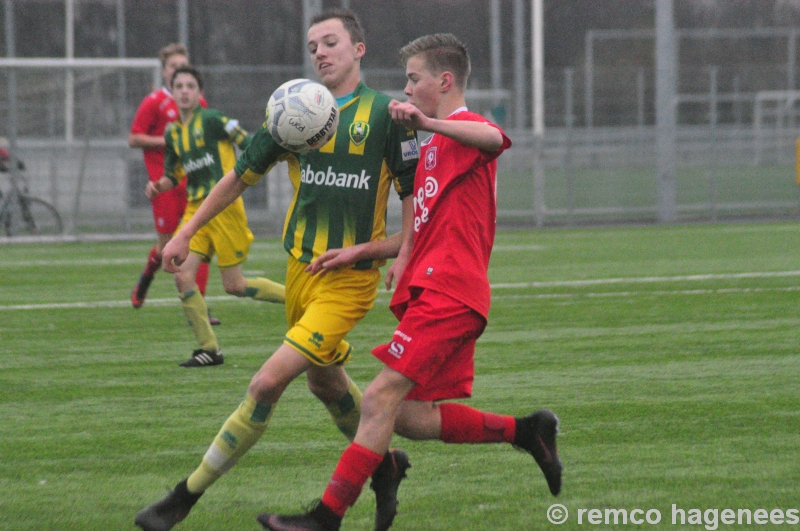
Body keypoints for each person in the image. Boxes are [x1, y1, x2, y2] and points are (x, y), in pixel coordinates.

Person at [257, 34, 562, 531]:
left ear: (444, 82)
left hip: (452, 293)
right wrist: (366, 251)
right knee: (410, 416)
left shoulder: (464, 128)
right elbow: (417, 228)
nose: (406, 88)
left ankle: (326, 517)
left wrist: (426, 122)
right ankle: (527, 431)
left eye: (414, 79)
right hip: (432, 292)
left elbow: (494, 139)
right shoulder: (438, 144)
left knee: (377, 399)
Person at [134, 9, 418, 531]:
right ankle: (385, 466)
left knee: (266, 383)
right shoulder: (293, 110)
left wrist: (395, 252)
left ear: (359, 49)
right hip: (298, 273)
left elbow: (416, 204)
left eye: (330, 42)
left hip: (349, 281)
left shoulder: (387, 116)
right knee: (325, 384)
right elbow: (235, 179)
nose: (320, 53)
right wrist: (182, 233)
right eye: (313, 46)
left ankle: (183, 497)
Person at [145, 65, 285, 367]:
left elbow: (246, 141)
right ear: (171, 93)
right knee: (182, 276)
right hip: (195, 210)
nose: (184, 91)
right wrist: (159, 186)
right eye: (178, 86)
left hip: (223, 209)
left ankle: (300, 299)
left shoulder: (213, 119)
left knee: (234, 285)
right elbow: (173, 173)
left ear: (200, 93)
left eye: (190, 86)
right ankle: (209, 349)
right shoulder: (173, 133)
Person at [129, 43, 217, 324]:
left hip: (193, 185)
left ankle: (198, 308)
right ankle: (147, 274)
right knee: (167, 248)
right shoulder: (154, 102)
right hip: (164, 185)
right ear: (165, 72)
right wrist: (167, 140)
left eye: (183, 66)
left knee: (199, 242)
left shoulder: (199, 104)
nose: (178, 72)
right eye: (173, 67)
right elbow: (135, 138)